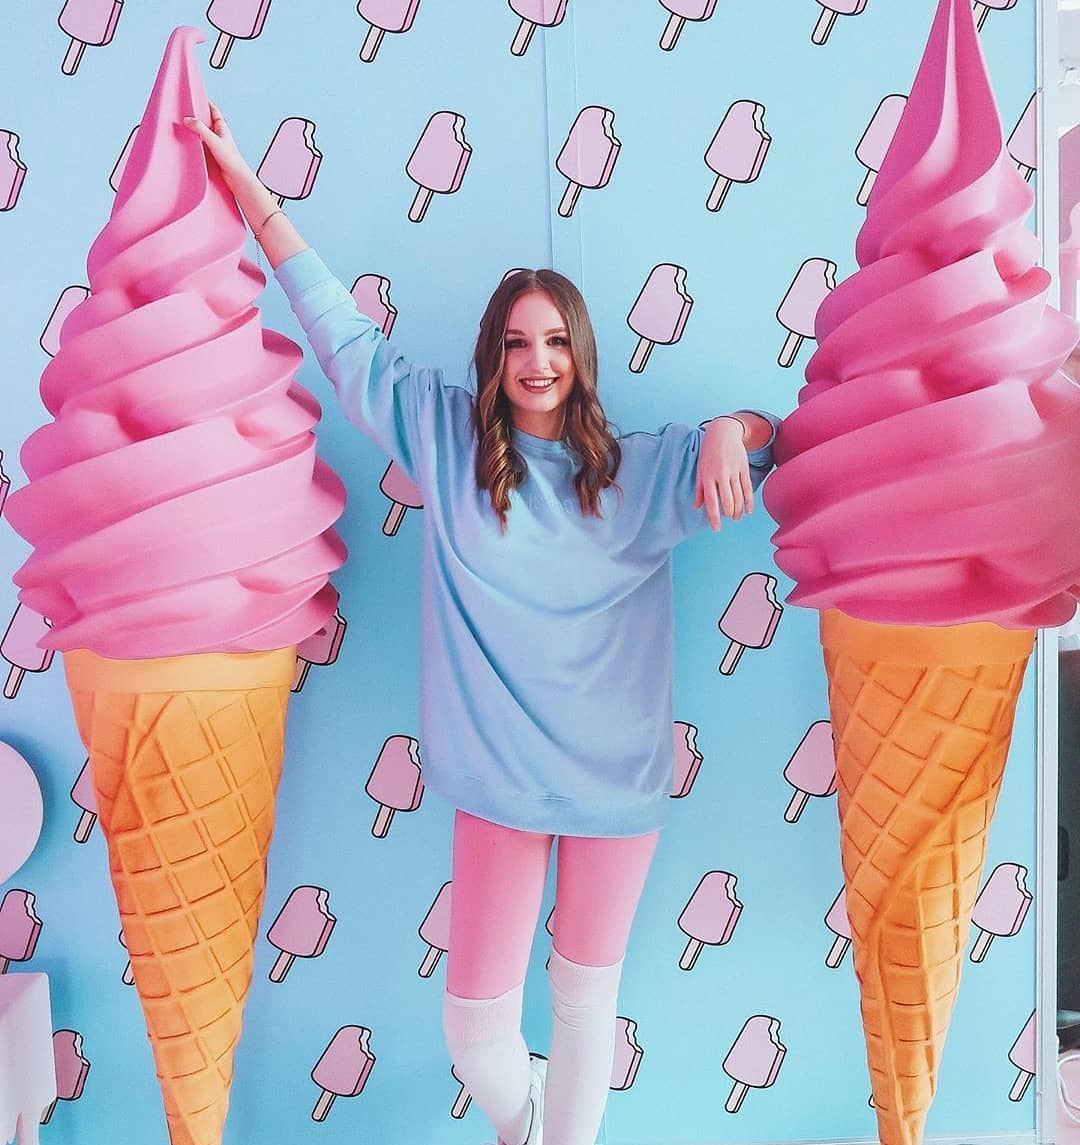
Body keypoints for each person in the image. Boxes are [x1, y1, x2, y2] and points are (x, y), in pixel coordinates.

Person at [186, 104, 780, 1145]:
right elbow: (340, 336)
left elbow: (776, 440)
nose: (536, 359)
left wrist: (737, 426)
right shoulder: (447, 443)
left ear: (581, 352)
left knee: (587, 1004)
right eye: (516, 341)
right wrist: (249, 191)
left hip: (614, 787)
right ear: (493, 356)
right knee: (478, 1036)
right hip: (497, 779)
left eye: (554, 340)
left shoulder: (641, 472)